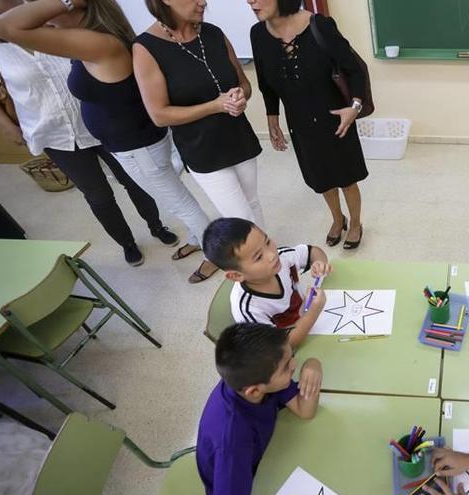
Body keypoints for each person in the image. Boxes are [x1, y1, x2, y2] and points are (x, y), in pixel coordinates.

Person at [0, 0, 218, 282]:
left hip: (138, 147)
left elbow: (5, 25)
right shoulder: (96, 40)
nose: (49, 19)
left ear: (82, 10)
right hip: (133, 143)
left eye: (58, 12)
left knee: (178, 202)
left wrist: (67, 1)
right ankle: (198, 236)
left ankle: (215, 253)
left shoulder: (99, 43)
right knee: (173, 195)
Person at [134, 0, 265, 227]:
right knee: (240, 218)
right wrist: (216, 106)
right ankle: (263, 259)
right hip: (201, 149)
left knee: (252, 203)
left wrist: (240, 96)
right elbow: (159, 114)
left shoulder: (214, 34)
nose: (203, 2)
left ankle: (269, 257)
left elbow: (244, 84)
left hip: (238, 136)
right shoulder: (146, 48)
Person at [249, 0, 368, 249]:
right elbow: (265, 83)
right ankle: (338, 219)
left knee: (346, 177)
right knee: (321, 177)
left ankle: (355, 223)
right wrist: (273, 118)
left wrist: (354, 107)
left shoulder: (319, 26)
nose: (251, 1)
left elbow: (354, 69)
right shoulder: (258, 34)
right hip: (300, 122)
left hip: (336, 118)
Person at [197, 322, 322, 495]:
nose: (294, 364)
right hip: (245, 477)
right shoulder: (232, 443)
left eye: (291, 356)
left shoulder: (258, 377)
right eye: (287, 367)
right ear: (255, 391)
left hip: (270, 456)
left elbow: (305, 410)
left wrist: (313, 365)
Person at [202, 217, 330, 348]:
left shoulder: (282, 258)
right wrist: (312, 312)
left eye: (267, 242)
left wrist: (319, 263)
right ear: (236, 275)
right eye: (258, 257)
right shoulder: (249, 309)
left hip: (313, 321)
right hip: (292, 352)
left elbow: (314, 252)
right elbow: (283, 345)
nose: (272, 255)